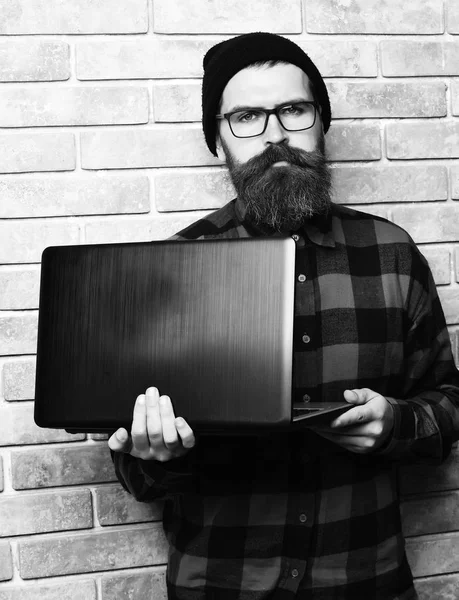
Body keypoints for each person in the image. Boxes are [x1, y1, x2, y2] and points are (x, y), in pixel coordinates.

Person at [109, 32, 459, 599]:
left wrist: (397, 424)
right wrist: (154, 456)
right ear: (216, 139)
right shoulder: (170, 270)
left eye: (293, 110)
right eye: (246, 116)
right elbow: (135, 473)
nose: (275, 135)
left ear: (321, 123)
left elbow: (449, 401)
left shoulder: (392, 254)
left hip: (365, 580)